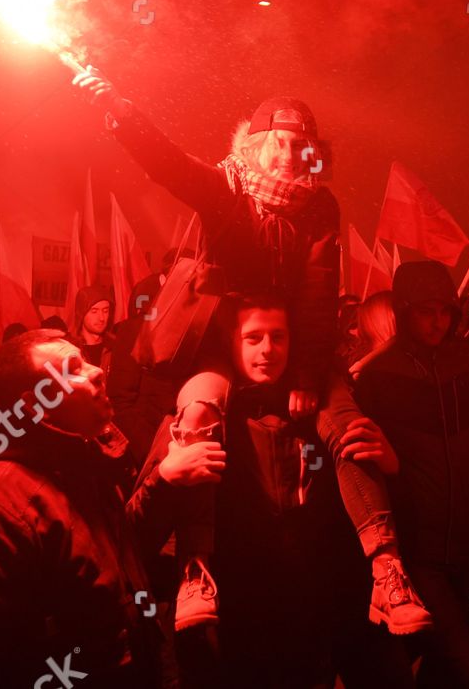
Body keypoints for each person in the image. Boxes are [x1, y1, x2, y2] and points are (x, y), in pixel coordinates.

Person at [71, 76, 425, 634]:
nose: (286, 155)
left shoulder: (319, 206)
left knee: (348, 423)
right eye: (275, 143)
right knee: (198, 417)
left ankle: (386, 567)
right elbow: (168, 163)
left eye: (297, 144)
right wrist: (121, 110)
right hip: (221, 346)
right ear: (255, 145)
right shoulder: (226, 188)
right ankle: (195, 568)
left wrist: (308, 374)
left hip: (290, 345)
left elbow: (316, 292)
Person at [144, 293, 415, 689]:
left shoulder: (321, 414)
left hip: (309, 623)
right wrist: (166, 477)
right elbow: (138, 531)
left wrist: (392, 466)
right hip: (234, 621)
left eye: (278, 337)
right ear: (231, 343)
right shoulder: (197, 418)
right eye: (253, 338)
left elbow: (363, 514)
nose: (268, 349)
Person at [0, 331, 174, 689]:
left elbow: (117, 568)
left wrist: (164, 482)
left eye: (84, 359)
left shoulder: (83, 470)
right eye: (72, 369)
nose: (97, 372)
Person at [355, 260, 469, 689]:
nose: (437, 322)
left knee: (444, 667)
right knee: (467, 670)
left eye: (444, 311)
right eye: (425, 311)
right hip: (418, 548)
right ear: (404, 311)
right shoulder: (376, 376)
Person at [73, 285, 117, 374]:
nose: (101, 318)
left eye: (105, 311)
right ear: (82, 313)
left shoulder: (115, 347)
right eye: (94, 311)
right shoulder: (70, 348)